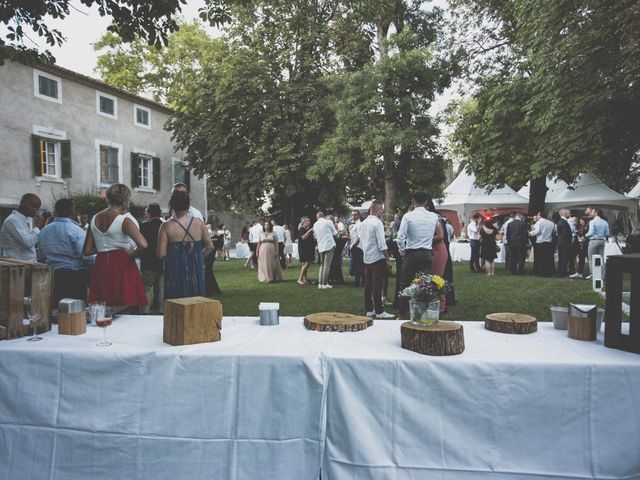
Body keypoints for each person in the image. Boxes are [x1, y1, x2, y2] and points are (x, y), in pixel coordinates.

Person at [83, 184, 148, 310]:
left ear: (108, 199)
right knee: (126, 309)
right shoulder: (124, 221)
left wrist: (104, 247)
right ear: (125, 201)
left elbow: (87, 251)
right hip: (123, 264)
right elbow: (143, 244)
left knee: (101, 308)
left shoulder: (94, 219)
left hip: (101, 264)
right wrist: (132, 253)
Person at [157, 190, 214, 299]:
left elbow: (160, 254)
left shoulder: (166, 226)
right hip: (195, 271)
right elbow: (210, 246)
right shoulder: (199, 223)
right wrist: (198, 258)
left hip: (175, 271)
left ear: (172, 205)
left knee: (177, 304)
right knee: (196, 303)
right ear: (188, 205)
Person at [38, 198, 93, 305]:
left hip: (50, 277)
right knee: (74, 314)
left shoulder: (44, 230)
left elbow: (41, 255)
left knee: (54, 312)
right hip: (72, 277)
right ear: (73, 211)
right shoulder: (76, 230)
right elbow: (87, 256)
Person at [395, 191, 438, 318]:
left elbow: (400, 237)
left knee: (405, 284)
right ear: (426, 202)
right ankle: (421, 313)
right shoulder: (433, 217)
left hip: (412, 253)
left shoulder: (408, 217)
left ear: (413, 201)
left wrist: (403, 252)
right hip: (427, 253)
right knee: (425, 284)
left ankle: (402, 313)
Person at [359, 201, 394, 319]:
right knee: (377, 285)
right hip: (377, 258)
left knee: (368, 284)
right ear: (377, 209)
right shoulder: (377, 223)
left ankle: (369, 309)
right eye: (381, 209)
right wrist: (388, 259)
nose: (383, 212)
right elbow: (382, 243)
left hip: (367, 257)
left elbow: (362, 241)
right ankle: (379, 311)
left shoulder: (363, 223)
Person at [0, 193, 43, 261]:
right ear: (23, 203)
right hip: (18, 265)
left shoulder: (25, 220)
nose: (35, 210)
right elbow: (28, 243)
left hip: (27, 264)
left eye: (37, 208)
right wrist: (38, 228)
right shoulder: (13, 220)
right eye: (33, 206)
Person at [140, 203, 165, 314]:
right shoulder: (164, 226)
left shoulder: (144, 226)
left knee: (146, 288)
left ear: (149, 213)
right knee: (160, 289)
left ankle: (145, 311)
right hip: (162, 261)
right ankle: (160, 310)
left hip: (148, 261)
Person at [585, 207, 610, 280]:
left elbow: (590, 233)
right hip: (602, 241)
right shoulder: (605, 222)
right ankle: (602, 275)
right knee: (601, 258)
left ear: (596, 213)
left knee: (591, 259)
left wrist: (585, 235)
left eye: (592, 212)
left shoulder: (592, 222)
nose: (591, 213)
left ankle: (593, 275)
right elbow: (607, 233)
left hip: (593, 241)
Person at [314, 212, 337, 289]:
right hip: (329, 245)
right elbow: (334, 233)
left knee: (322, 265)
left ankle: (320, 284)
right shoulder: (328, 222)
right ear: (323, 216)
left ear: (317, 217)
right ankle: (324, 283)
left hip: (321, 246)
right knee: (327, 266)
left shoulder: (315, 224)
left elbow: (315, 236)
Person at [530, 212, 555, 276]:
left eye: (537, 215)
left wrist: (530, 233)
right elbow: (554, 232)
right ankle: (548, 272)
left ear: (540, 215)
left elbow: (536, 232)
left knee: (540, 259)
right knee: (547, 259)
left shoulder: (539, 223)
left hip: (540, 243)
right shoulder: (551, 223)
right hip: (549, 242)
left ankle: (540, 272)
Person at [297, 216, 316, 285]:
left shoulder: (306, 229)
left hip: (308, 248)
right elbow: (303, 237)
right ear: (303, 222)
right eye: (307, 221)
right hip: (304, 249)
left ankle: (305, 280)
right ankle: (299, 279)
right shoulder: (301, 229)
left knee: (304, 264)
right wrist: (310, 231)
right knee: (307, 263)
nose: (308, 222)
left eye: (309, 221)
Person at [348, 211, 364, 287]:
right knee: (356, 264)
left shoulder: (359, 224)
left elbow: (359, 237)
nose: (353, 216)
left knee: (359, 265)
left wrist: (353, 246)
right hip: (354, 246)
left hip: (357, 247)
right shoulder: (353, 225)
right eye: (352, 215)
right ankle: (358, 282)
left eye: (355, 215)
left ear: (358, 215)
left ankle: (359, 282)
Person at [556, 209, 573, 278]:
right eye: (569, 213)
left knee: (562, 258)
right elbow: (565, 233)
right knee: (564, 258)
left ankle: (561, 271)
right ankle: (563, 273)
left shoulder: (561, 222)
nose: (570, 214)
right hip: (564, 242)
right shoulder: (563, 222)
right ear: (564, 214)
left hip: (562, 242)